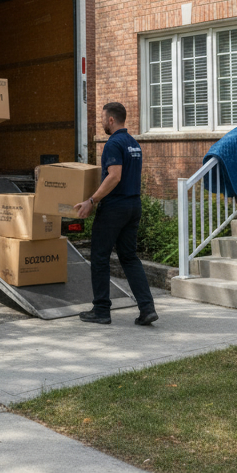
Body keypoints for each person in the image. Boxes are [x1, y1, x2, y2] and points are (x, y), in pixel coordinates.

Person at [75, 102, 157, 326]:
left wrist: (92, 200)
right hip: (133, 206)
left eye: (102, 118)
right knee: (129, 257)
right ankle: (147, 308)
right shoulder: (133, 144)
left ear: (111, 120)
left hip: (115, 208)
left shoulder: (113, 143)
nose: (101, 122)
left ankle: (101, 310)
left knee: (100, 257)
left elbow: (114, 176)